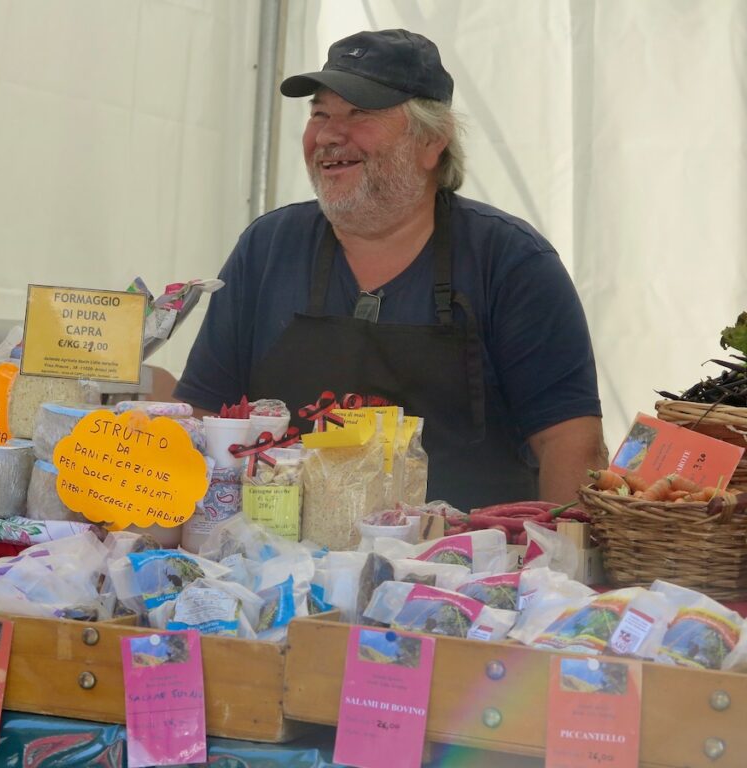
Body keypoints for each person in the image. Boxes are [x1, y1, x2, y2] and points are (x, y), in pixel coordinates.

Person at [174, 29, 607, 511]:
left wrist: (563, 571)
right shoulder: (268, 247)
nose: (330, 135)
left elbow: (571, 444)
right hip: (280, 566)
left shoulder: (511, 262)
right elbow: (203, 414)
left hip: (464, 570)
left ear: (431, 142)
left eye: (360, 113)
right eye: (320, 113)